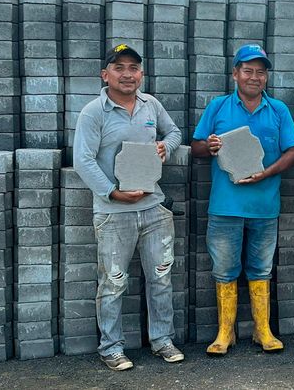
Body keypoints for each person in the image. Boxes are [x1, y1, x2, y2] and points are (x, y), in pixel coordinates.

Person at [73, 44, 184, 371]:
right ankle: (111, 348)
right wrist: (113, 193)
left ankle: (162, 341)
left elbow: (174, 132)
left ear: (141, 74)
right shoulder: (94, 112)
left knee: (160, 278)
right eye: (119, 67)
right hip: (113, 213)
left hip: (154, 209)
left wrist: (165, 146)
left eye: (133, 68)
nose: (127, 74)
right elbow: (83, 160)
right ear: (104, 75)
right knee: (113, 282)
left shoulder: (151, 105)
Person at [191, 44, 294, 356]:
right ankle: (225, 332)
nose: (254, 77)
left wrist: (267, 173)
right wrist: (209, 146)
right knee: (225, 269)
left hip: (264, 206)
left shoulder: (278, 110)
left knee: (260, 269)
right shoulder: (218, 107)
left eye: (260, 72)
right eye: (248, 70)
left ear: (266, 77)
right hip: (226, 205)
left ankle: (262, 330)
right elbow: (196, 147)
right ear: (235, 74)